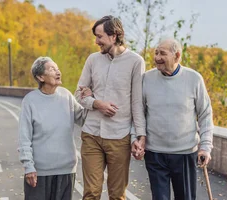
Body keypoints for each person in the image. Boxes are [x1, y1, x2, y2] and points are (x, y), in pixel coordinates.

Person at [75, 15, 146, 200]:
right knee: (91, 193)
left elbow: (137, 103)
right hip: (91, 134)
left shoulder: (135, 62)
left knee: (117, 195)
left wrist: (140, 136)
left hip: (119, 137)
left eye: (100, 37)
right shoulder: (92, 60)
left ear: (114, 36)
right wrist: (97, 103)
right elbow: (78, 94)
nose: (96, 41)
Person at [142, 38, 214, 200]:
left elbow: (205, 115)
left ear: (177, 55)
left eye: (162, 53)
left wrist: (205, 146)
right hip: (155, 153)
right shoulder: (146, 79)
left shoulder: (194, 79)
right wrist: (137, 137)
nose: (157, 57)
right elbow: (139, 113)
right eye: (156, 52)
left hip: (185, 153)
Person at [18, 56, 87, 200]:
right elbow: (24, 138)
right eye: (52, 69)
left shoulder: (66, 96)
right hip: (39, 172)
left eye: (57, 68)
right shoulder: (30, 101)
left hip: (66, 169)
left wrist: (88, 100)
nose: (58, 72)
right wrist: (28, 166)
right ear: (40, 77)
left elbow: (84, 119)